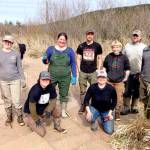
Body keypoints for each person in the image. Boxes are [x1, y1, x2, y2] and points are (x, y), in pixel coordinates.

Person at [42, 32, 76, 118]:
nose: (62, 41)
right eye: (60, 39)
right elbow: (46, 61)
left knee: (64, 94)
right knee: (49, 92)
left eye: (64, 39)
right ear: (57, 40)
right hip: (52, 76)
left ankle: (63, 110)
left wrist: (74, 76)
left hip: (66, 77)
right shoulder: (51, 49)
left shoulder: (70, 51)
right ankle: (49, 109)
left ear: (66, 41)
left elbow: (73, 63)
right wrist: (44, 59)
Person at [24, 71, 66, 137]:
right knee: (42, 133)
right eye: (43, 79)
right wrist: (35, 118)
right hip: (32, 112)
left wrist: (49, 110)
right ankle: (30, 121)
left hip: (43, 108)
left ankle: (57, 126)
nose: (45, 81)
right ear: (39, 79)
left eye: (47, 79)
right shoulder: (35, 90)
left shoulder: (51, 87)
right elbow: (31, 107)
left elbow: (53, 99)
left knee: (57, 108)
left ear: (50, 80)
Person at [0, 35, 25, 126]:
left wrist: (23, 79)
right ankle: (9, 117)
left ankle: (19, 116)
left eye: (10, 42)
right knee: (6, 99)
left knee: (16, 100)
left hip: (15, 80)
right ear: (3, 42)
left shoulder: (16, 54)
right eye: (6, 41)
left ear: (12, 43)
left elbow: (20, 67)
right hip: (3, 81)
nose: (7, 43)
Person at [76, 29, 103, 114]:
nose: (90, 36)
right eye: (88, 34)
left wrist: (98, 70)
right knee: (82, 90)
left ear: (93, 35)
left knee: (95, 89)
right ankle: (83, 105)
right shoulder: (81, 46)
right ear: (86, 35)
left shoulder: (97, 46)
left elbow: (99, 58)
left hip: (93, 71)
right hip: (83, 71)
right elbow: (78, 58)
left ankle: (94, 105)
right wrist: (79, 70)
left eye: (91, 34)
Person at [121, 30, 147, 115]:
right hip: (128, 72)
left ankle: (134, 107)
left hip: (139, 73)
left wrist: (143, 72)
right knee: (127, 90)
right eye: (134, 35)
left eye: (137, 36)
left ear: (140, 37)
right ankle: (126, 107)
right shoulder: (127, 46)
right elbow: (122, 58)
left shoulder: (144, 47)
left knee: (137, 90)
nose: (135, 37)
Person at [83, 69, 117, 134]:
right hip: (95, 108)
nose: (102, 79)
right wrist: (88, 112)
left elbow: (114, 101)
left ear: (106, 78)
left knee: (109, 131)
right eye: (100, 77)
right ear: (97, 78)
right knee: (89, 118)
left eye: (103, 77)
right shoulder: (92, 87)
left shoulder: (111, 88)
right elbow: (86, 100)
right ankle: (94, 120)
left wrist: (110, 113)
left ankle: (103, 119)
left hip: (107, 111)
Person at [103, 40, 130, 121]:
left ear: (120, 48)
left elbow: (127, 68)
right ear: (112, 48)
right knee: (107, 97)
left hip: (119, 82)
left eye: (117, 47)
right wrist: (104, 75)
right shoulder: (108, 56)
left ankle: (117, 113)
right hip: (109, 81)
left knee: (119, 98)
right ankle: (108, 112)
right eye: (114, 47)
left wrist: (126, 78)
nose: (115, 49)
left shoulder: (124, 57)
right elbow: (104, 67)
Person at [140, 45, 150, 119]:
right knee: (143, 98)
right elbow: (142, 63)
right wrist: (141, 74)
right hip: (144, 78)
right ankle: (146, 117)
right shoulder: (145, 49)